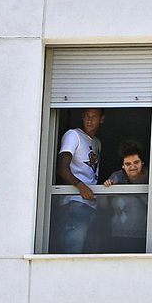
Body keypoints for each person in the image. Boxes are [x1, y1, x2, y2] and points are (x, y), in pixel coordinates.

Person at [56, 108, 104, 253]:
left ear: (101, 119)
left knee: (88, 251)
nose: (89, 120)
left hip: (90, 203)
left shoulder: (97, 142)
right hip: (75, 202)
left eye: (94, 117)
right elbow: (62, 168)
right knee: (73, 249)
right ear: (82, 117)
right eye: (87, 116)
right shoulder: (73, 135)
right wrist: (80, 186)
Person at [100, 140, 148, 252]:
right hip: (118, 234)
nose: (133, 166)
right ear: (122, 165)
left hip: (145, 236)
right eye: (128, 164)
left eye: (136, 162)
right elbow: (103, 206)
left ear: (142, 163)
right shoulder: (116, 177)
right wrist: (107, 189)